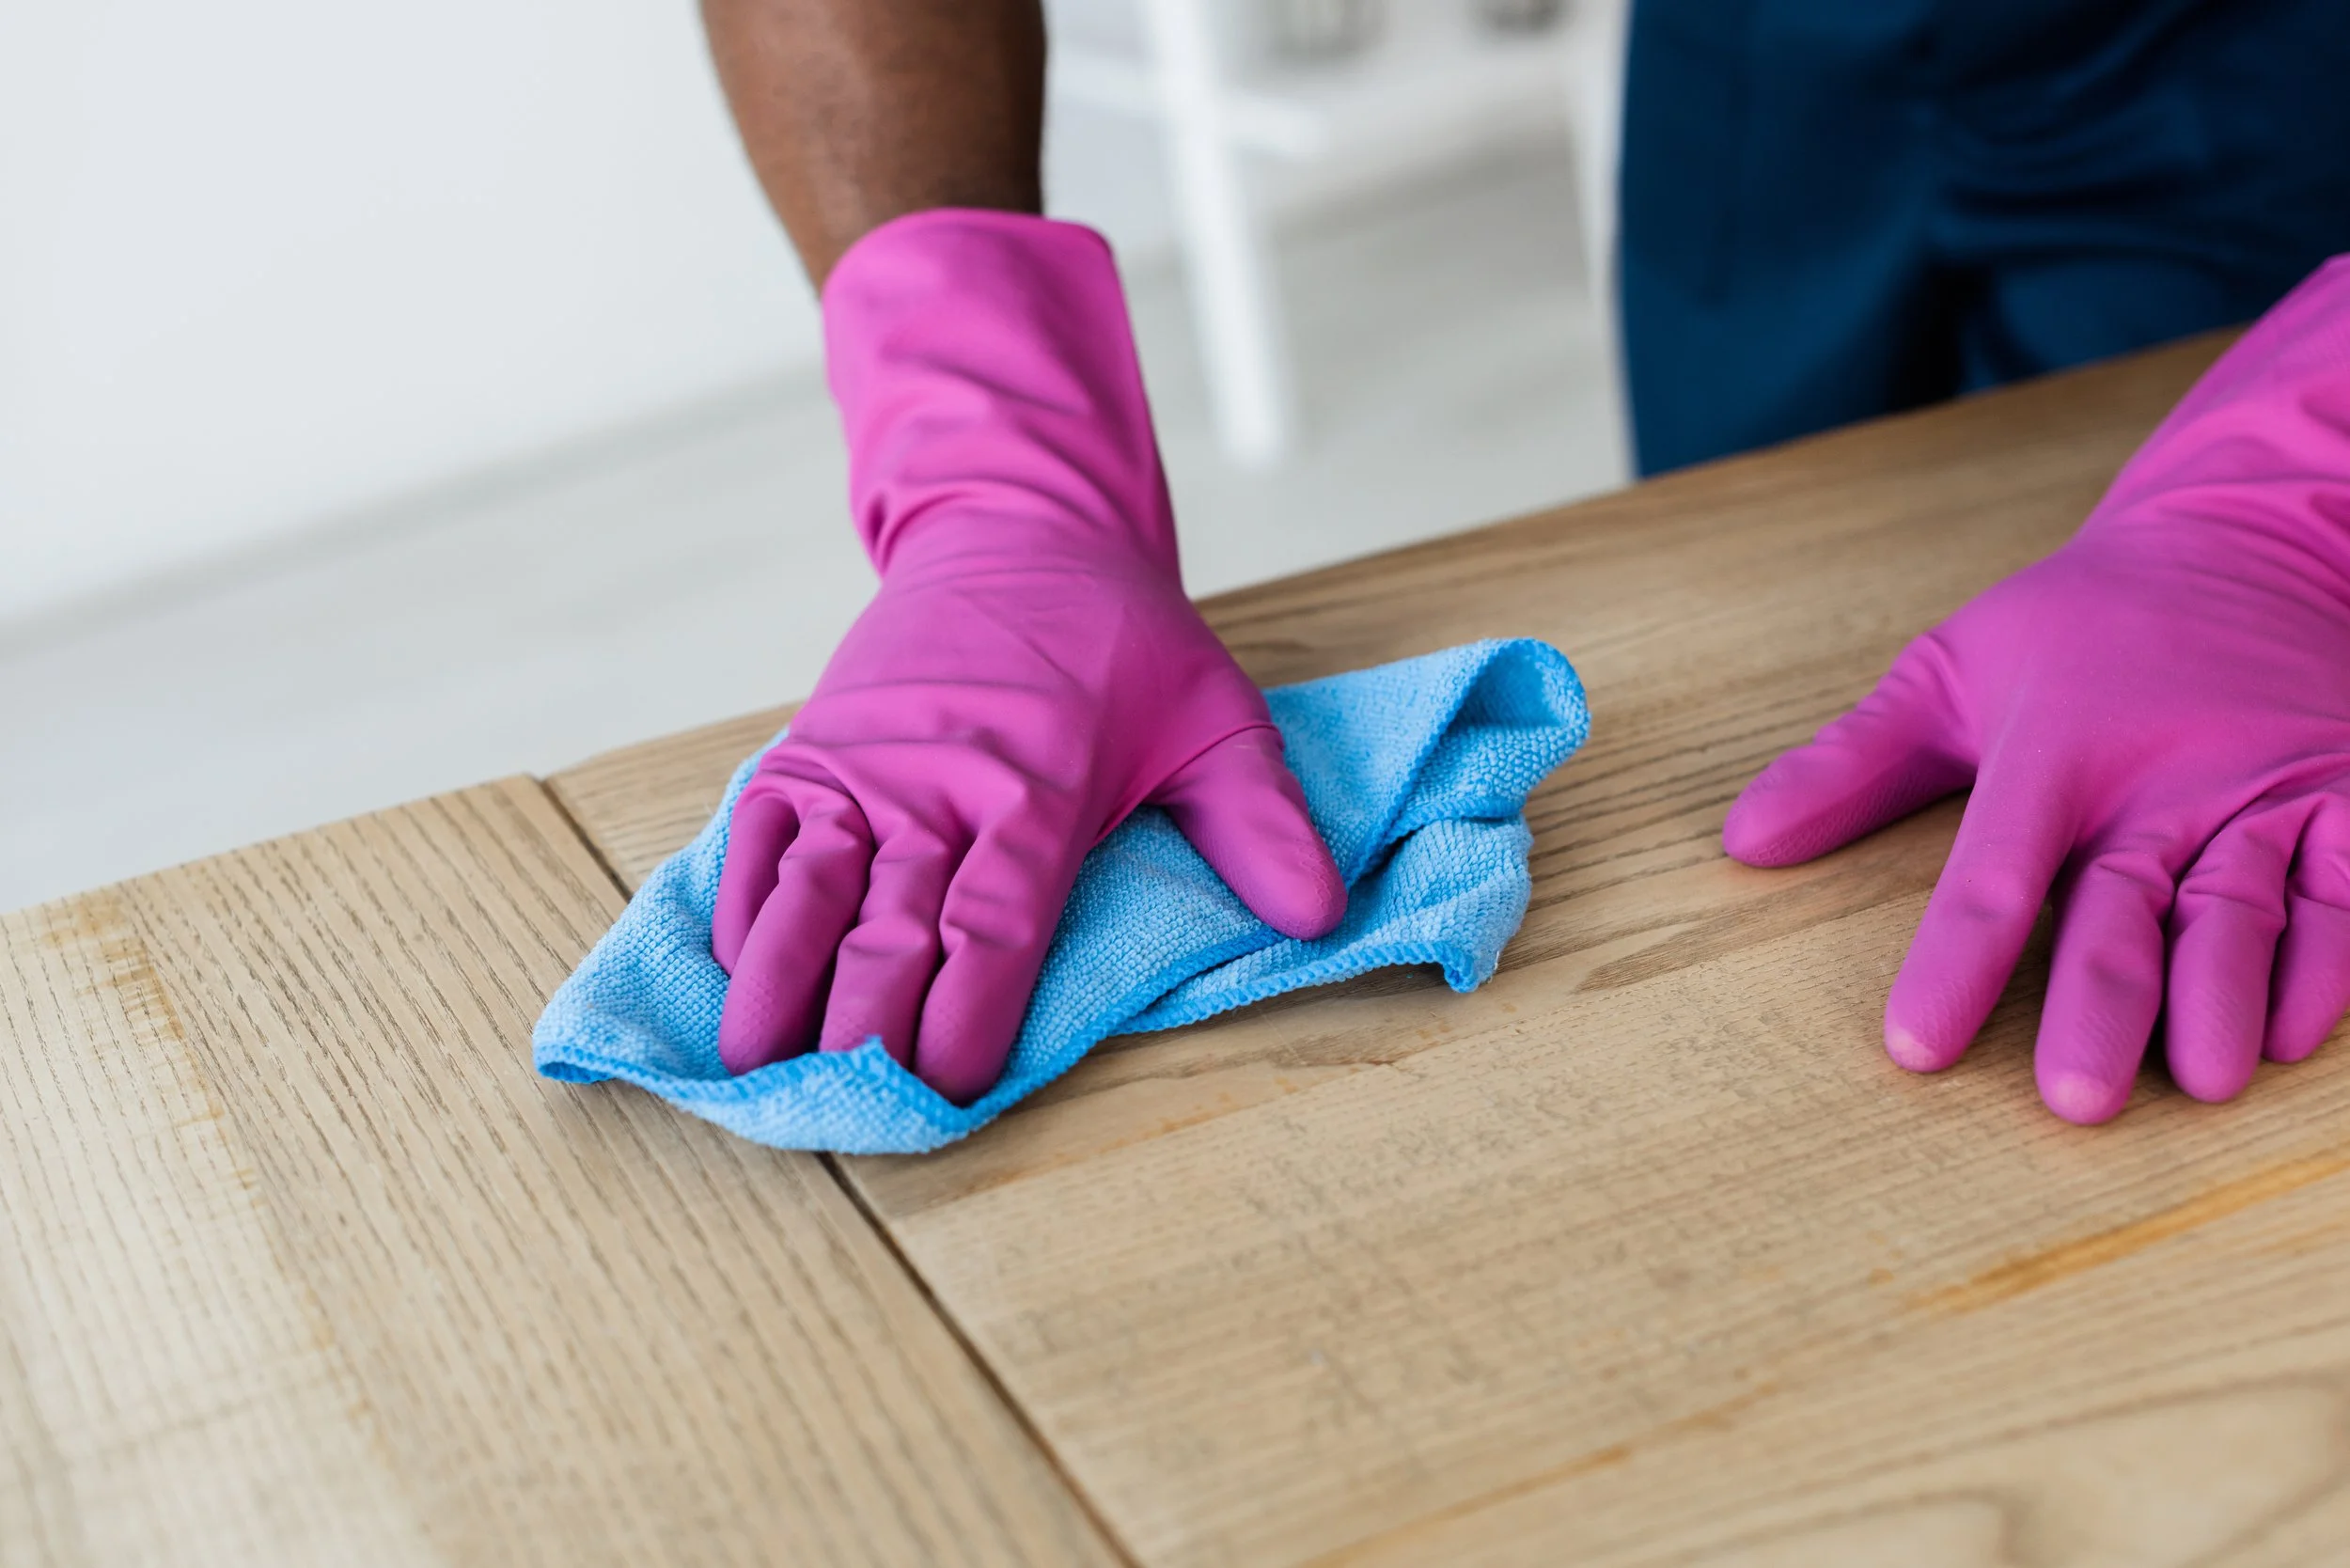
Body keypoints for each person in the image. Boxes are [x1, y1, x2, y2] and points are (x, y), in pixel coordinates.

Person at [696, 0, 2350, 1123]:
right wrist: (989, 472)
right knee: (1746, 598)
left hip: (2277, 64)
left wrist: (2300, 498)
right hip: (1766, 66)